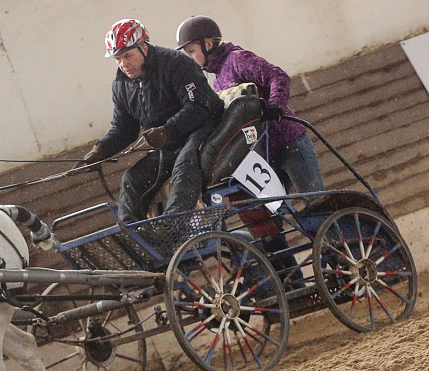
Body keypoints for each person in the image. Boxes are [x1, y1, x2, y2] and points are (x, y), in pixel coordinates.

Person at [76, 18, 224, 224]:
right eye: (117, 59)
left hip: (205, 131)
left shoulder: (176, 63)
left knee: (185, 165)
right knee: (132, 179)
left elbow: (201, 106)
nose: (123, 64)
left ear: (144, 48)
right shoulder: (120, 85)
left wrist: (167, 130)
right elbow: (124, 129)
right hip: (170, 143)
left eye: (128, 55)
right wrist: (100, 151)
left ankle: (172, 227)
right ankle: (139, 238)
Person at [175, 15, 325, 197]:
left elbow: (278, 76)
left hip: (289, 142)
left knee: (315, 201)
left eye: (191, 51)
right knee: (273, 212)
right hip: (266, 152)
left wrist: (275, 104)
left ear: (207, 44)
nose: (190, 58)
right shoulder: (217, 81)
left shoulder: (237, 59)